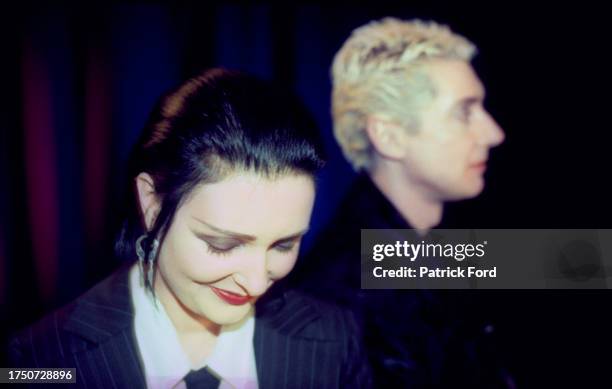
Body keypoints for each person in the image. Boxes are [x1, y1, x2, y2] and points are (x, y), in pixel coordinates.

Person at [7, 68, 371, 388]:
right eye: (223, 244)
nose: (258, 282)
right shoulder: (38, 362)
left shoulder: (336, 341)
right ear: (151, 203)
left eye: (283, 245)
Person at [289, 18, 512, 387]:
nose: (493, 133)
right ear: (389, 136)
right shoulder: (340, 295)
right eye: (464, 111)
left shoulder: (444, 247)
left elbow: (578, 263)